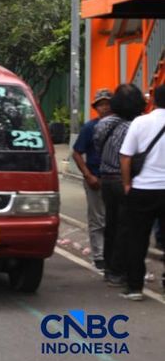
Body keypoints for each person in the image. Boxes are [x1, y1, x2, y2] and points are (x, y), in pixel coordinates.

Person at [93, 84, 146, 288]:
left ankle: (109, 268)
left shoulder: (104, 124)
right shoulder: (136, 126)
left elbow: (98, 146)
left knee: (111, 224)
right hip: (124, 179)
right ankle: (118, 270)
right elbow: (133, 155)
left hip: (106, 178)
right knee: (126, 227)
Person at [119, 84, 165, 301]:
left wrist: (127, 184)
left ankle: (135, 287)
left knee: (137, 239)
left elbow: (126, 156)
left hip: (143, 189)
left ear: (153, 100)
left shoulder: (140, 122)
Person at [72, 89, 112, 272]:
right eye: (101, 104)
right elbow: (77, 153)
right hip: (95, 177)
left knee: (113, 219)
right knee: (98, 219)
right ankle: (99, 256)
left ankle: (111, 255)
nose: (104, 107)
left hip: (114, 179)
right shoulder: (90, 127)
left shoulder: (118, 127)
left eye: (107, 104)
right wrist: (88, 176)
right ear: (96, 107)